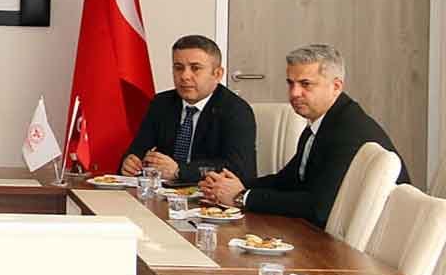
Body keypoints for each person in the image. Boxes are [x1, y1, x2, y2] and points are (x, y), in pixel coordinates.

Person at [202, 44, 410, 229]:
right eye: (290, 83)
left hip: (371, 242)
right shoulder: (322, 122)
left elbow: (318, 207)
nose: (294, 93)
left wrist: (242, 197)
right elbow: (289, 180)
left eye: (306, 84)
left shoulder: (348, 132)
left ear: (336, 86)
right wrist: (238, 185)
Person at [120, 35, 256, 183]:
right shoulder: (161, 103)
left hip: (210, 193)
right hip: (165, 191)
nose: (184, 76)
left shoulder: (236, 110)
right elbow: (138, 149)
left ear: (217, 74)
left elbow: (238, 168)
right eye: (178, 68)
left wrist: (180, 171)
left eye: (195, 68)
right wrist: (130, 162)